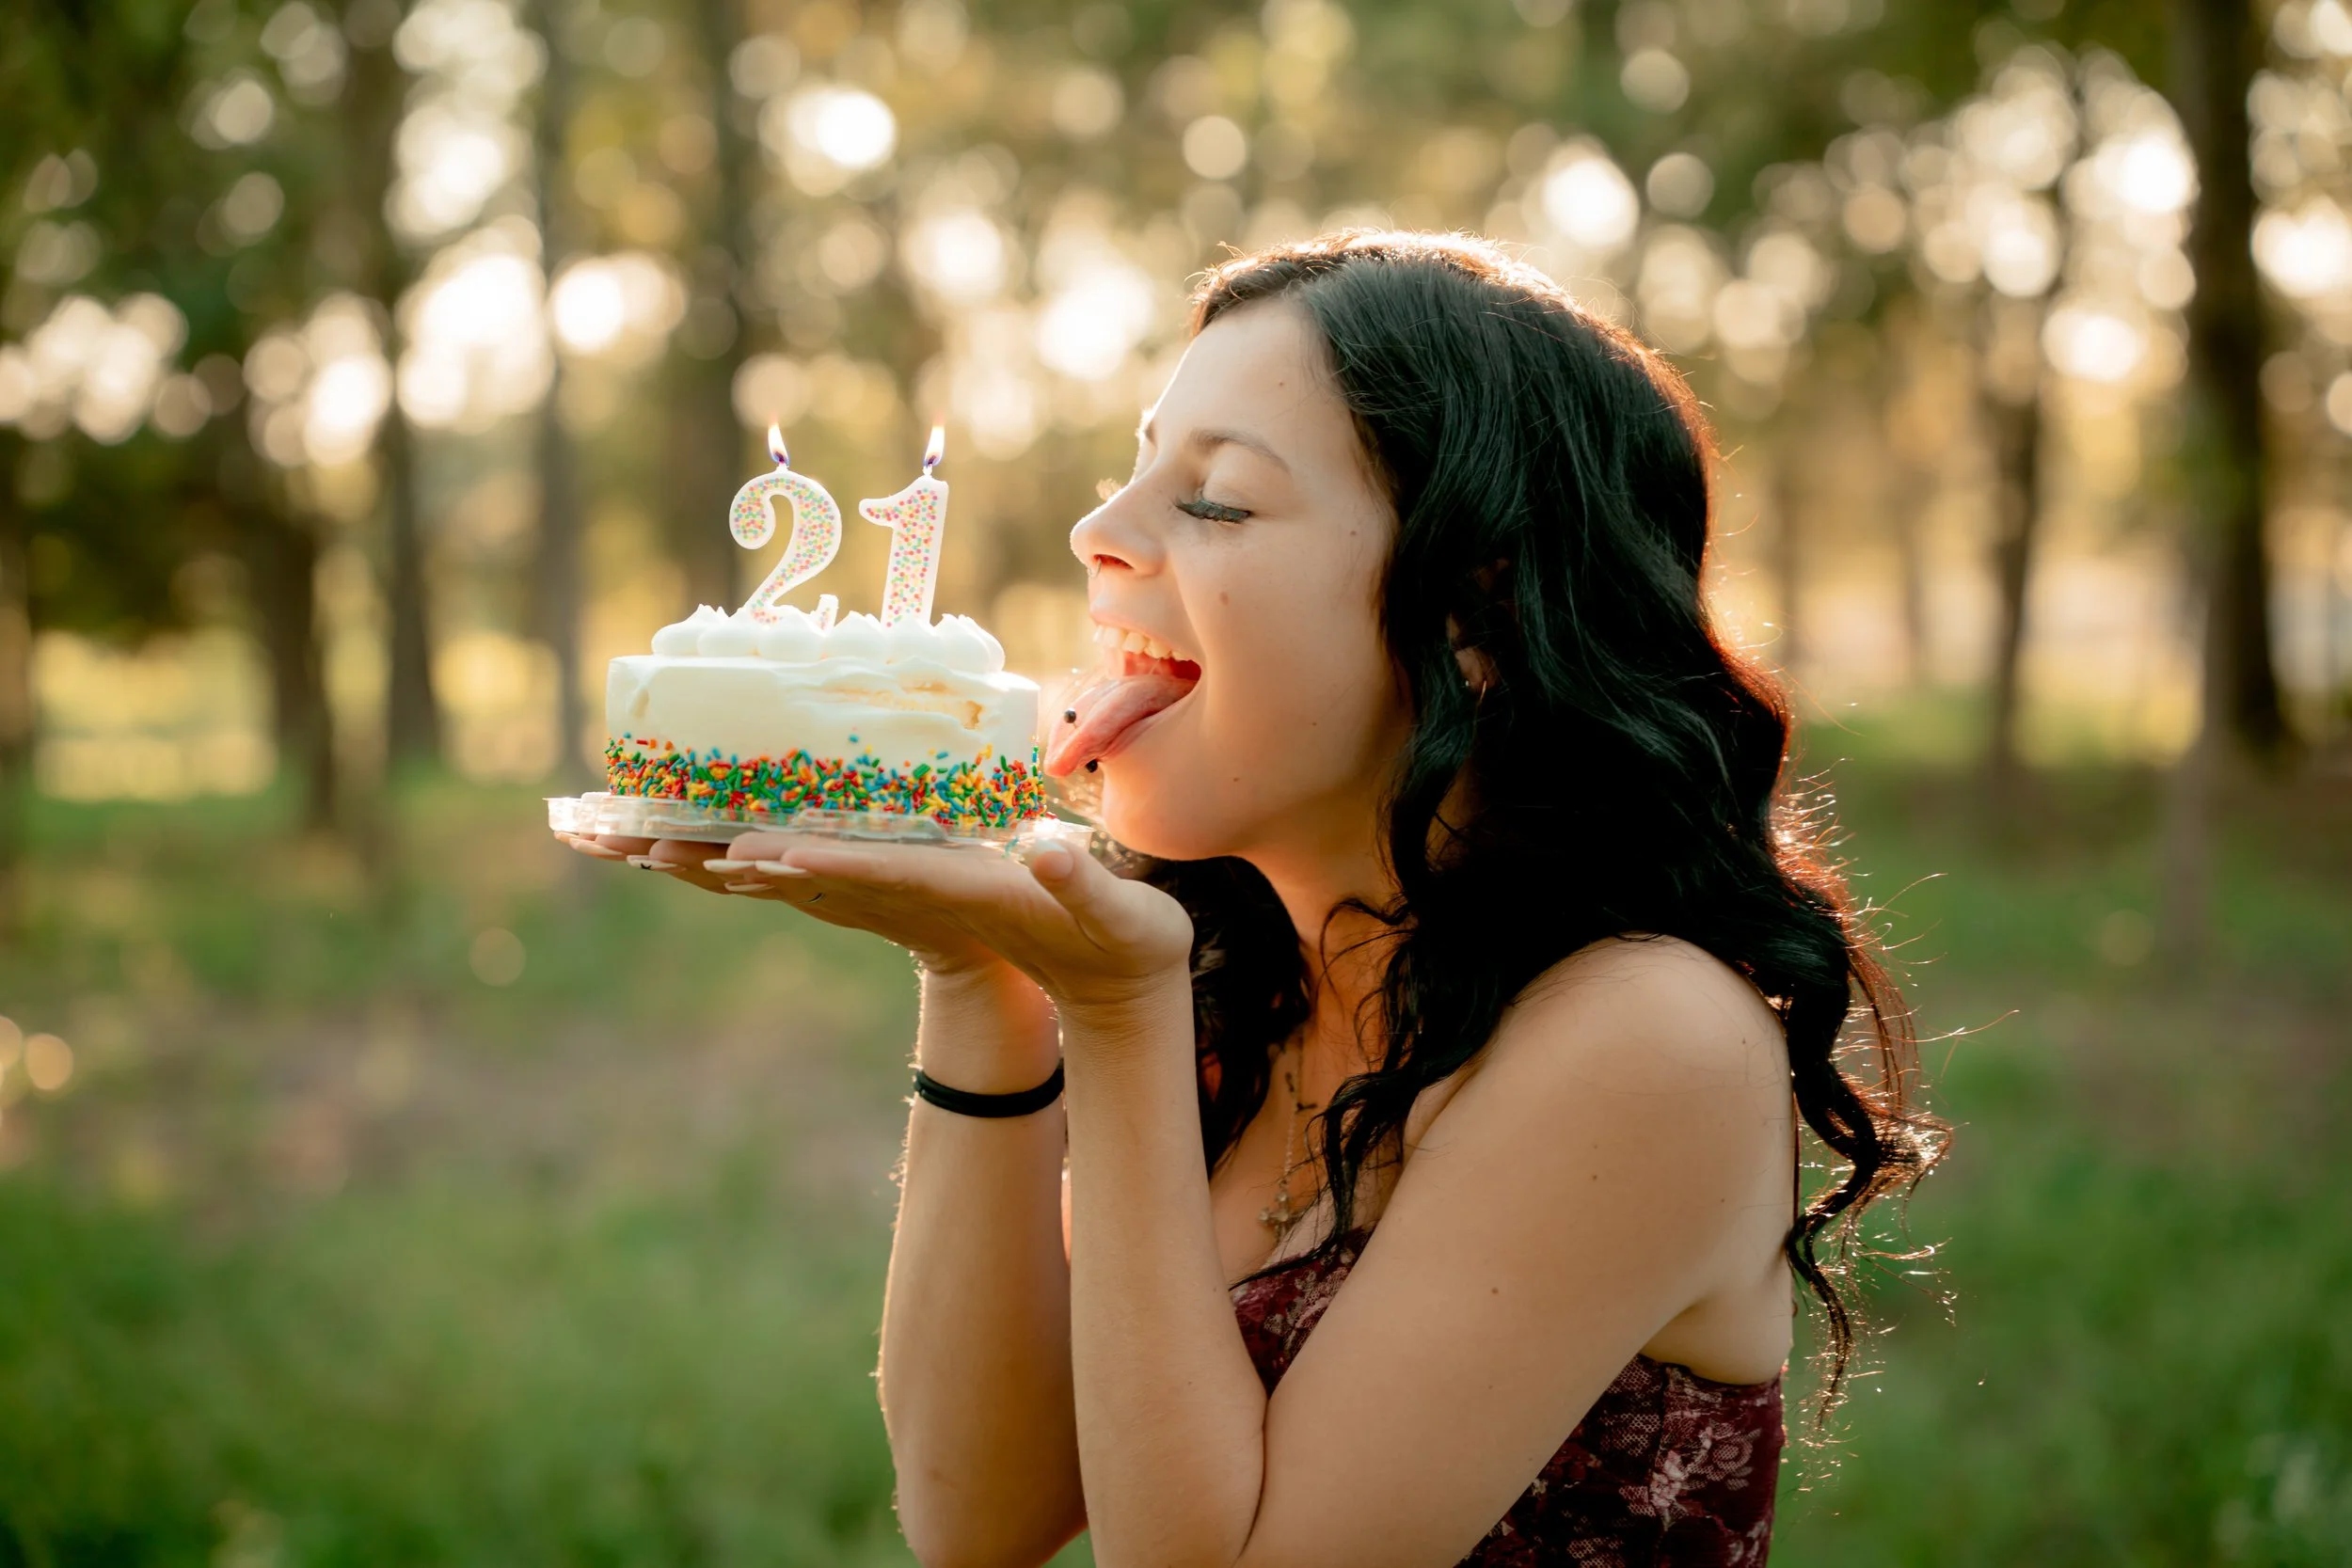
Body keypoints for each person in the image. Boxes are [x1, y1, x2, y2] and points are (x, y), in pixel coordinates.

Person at [570, 230, 1944, 1567]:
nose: (1097, 531)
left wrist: (1115, 1015)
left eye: (1215, 497)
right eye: (1130, 473)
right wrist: (978, 979)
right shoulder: (1254, 981)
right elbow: (976, 1515)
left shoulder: (1651, 1038)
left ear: (1479, 612)